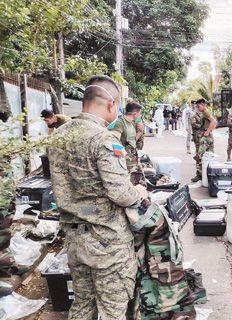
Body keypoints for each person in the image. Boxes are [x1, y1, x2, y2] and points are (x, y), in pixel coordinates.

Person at [47, 75, 148, 319]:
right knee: (112, 309)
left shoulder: (59, 136)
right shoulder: (103, 139)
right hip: (107, 243)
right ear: (112, 105)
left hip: (74, 238)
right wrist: (140, 193)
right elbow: (120, 193)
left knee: (82, 304)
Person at [110, 101, 144, 184]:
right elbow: (114, 142)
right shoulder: (120, 123)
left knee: (139, 182)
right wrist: (121, 162)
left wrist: (140, 132)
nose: (140, 116)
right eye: (139, 114)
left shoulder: (132, 123)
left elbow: (132, 141)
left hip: (133, 158)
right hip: (125, 161)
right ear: (135, 114)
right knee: (128, 184)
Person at [191, 98, 217, 182]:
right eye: (197, 106)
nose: (198, 108)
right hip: (208, 137)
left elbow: (214, 122)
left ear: (203, 105)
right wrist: (209, 131)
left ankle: (199, 175)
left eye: (199, 106)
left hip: (206, 139)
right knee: (210, 156)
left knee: (200, 156)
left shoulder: (206, 112)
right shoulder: (205, 111)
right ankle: (209, 175)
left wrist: (207, 131)